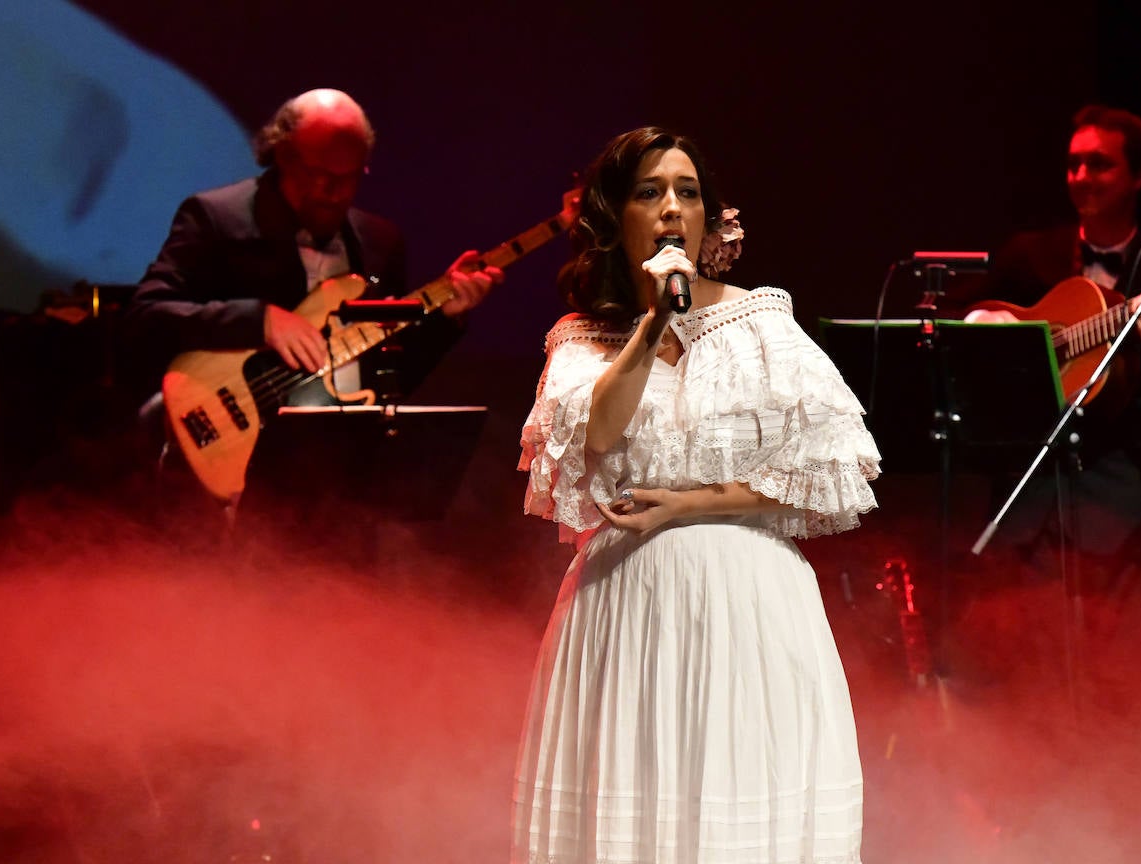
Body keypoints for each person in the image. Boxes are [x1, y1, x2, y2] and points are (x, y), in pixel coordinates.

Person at [512, 126, 882, 863]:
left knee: (739, 803)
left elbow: (827, 475)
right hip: (626, 605)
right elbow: (597, 443)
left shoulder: (764, 322)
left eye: (688, 192)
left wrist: (691, 506)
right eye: (650, 193)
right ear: (615, 218)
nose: (673, 208)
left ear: (712, 218)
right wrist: (654, 322)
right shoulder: (581, 340)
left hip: (747, 599)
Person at [120, 88, 503, 546]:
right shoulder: (215, 218)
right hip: (230, 476)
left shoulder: (379, 240)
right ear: (280, 154)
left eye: (349, 177)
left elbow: (386, 373)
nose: (333, 191)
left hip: (332, 488)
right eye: (318, 174)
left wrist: (446, 320)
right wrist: (258, 320)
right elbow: (145, 316)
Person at [954, 104, 1141, 705]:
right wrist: (987, 320)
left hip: (1127, 518)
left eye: (1099, 164)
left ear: (1140, 176)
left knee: (1126, 694)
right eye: (1073, 164)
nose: (1081, 177)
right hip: (1030, 506)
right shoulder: (1031, 257)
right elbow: (953, 321)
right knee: (1021, 691)